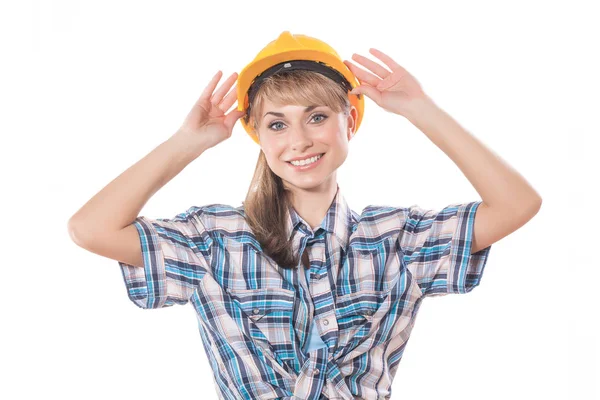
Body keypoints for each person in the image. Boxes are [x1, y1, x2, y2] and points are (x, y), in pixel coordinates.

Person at [68, 31, 541, 400]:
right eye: (277, 123)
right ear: (258, 135)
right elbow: (91, 228)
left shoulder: (399, 240)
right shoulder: (213, 241)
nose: (299, 140)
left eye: (316, 117)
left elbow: (517, 204)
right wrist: (186, 144)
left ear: (350, 121)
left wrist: (421, 110)